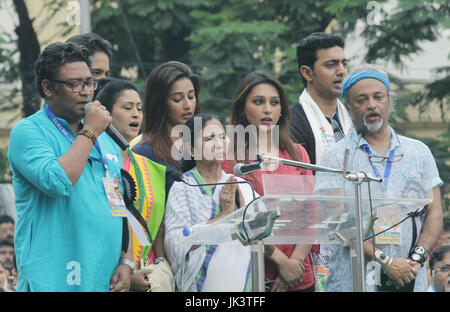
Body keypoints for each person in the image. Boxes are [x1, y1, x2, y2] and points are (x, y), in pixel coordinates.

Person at [7, 42, 133, 291]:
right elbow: (58, 181)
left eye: (90, 83)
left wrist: (126, 261)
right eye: (75, 84)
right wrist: (90, 132)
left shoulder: (104, 137)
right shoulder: (29, 131)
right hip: (53, 279)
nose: (86, 92)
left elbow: (118, 205)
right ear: (48, 87)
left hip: (101, 277)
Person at [316, 65, 443, 292]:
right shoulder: (336, 157)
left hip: (410, 278)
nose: (371, 105)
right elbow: (337, 222)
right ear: (348, 107)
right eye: (361, 100)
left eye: (378, 97)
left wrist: (416, 259)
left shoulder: (418, 151)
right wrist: (386, 261)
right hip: (355, 279)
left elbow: (434, 212)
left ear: (388, 101)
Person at [222, 71, 317, 292]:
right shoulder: (231, 159)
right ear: (243, 109)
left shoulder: (297, 153)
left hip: (299, 274)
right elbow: (237, 220)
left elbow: (311, 213)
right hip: (253, 273)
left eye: (274, 103)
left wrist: (295, 263)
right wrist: (281, 261)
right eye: (258, 102)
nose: (267, 109)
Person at [164, 113, 256, 291]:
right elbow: (174, 244)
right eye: (210, 138)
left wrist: (244, 214)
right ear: (191, 149)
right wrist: (224, 217)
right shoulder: (183, 187)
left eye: (222, 137)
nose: (219, 143)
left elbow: (264, 228)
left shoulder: (242, 185)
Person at [95, 77, 169, 292]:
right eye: (127, 108)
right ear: (106, 114)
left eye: (139, 108)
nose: (136, 114)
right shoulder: (95, 163)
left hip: (147, 276)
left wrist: (158, 266)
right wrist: (126, 269)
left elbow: (160, 224)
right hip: (108, 276)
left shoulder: (151, 168)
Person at [132, 61, 201, 200]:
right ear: (159, 103)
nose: (188, 105)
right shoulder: (144, 152)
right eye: (177, 99)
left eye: (191, 97)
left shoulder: (205, 142)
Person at [290, 32, 352, 166]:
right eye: (331, 65)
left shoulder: (354, 117)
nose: (342, 71)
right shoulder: (291, 123)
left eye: (344, 64)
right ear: (307, 73)